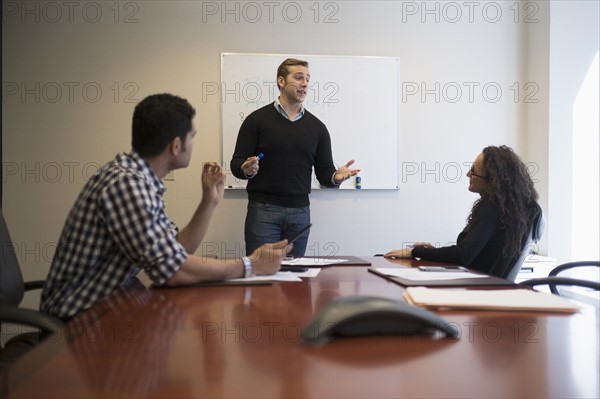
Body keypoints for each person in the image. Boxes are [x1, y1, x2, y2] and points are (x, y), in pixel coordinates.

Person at [41, 93, 290, 320]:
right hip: (78, 323)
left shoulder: (140, 180)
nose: (193, 144)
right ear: (176, 146)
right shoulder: (126, 184)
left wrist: (209, 202)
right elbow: (172, 271)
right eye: (192, 137)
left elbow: (177, 250)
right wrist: (250, 265)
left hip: (113, 308)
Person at [230, 58, 360, 257]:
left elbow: (325, 173)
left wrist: (335, 177)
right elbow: (236, 163)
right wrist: (246, 169)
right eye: (298, 78)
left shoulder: (317, 128)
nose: (305, 83)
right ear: (281, 81)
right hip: (264, 210)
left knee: (296, 275)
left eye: (307, 79)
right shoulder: (256, 120)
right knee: (260, 273)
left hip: (300, 212)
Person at [385, 145, 539, 278]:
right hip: (484, 286)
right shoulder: (504, 208)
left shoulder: (492, 207)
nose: (467, 174)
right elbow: (470, 253)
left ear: (492, 179)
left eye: (473, 171)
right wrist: (434, 252)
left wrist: (415, 252)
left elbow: (463, 255)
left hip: (476, 289)